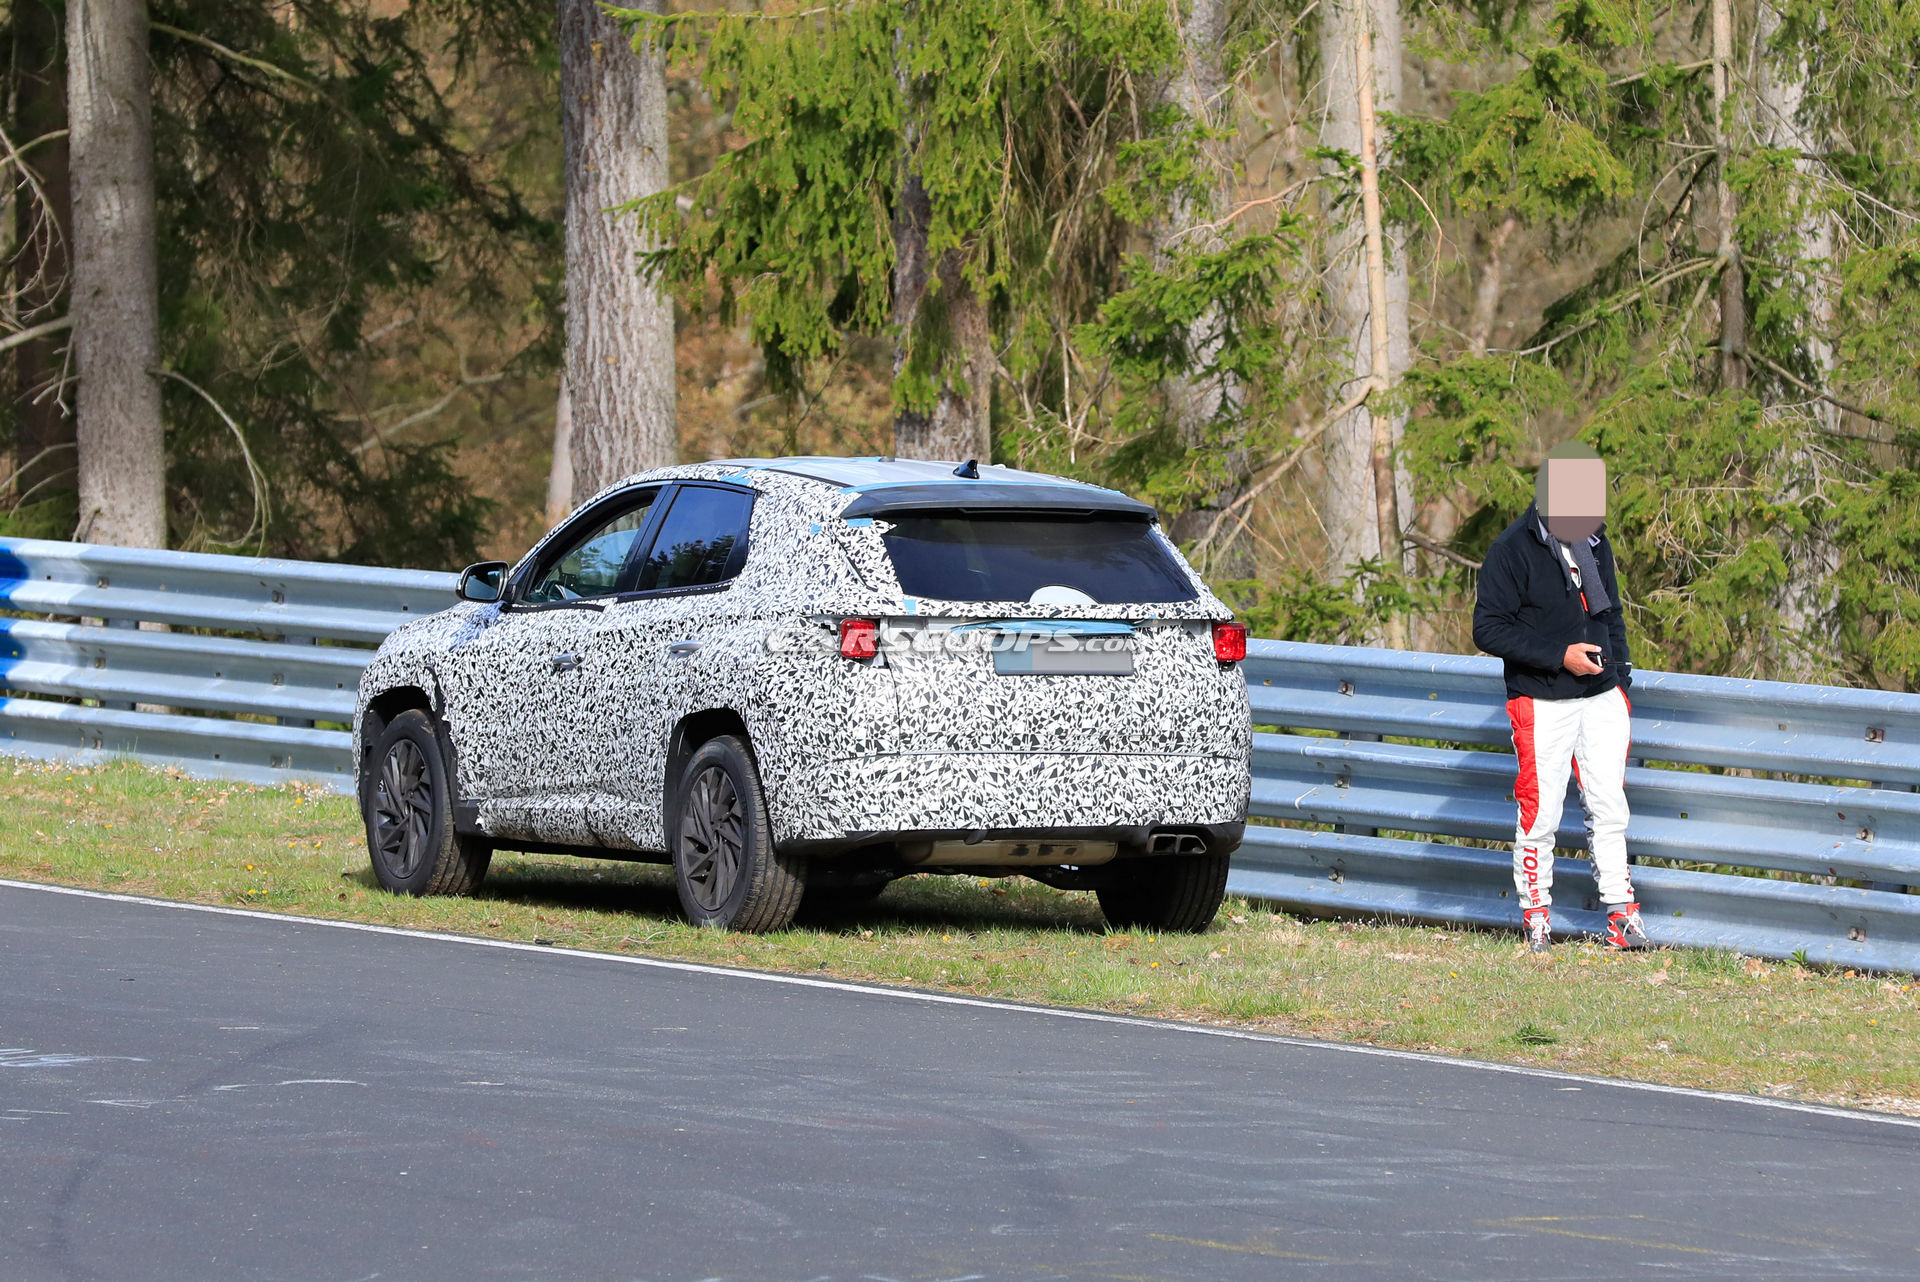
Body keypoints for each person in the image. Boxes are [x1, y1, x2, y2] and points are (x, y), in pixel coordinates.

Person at [1471, 440, 1648, 954]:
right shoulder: (1512, 550)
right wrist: (1559, 655)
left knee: (1609, 805)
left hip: (1602, 697)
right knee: (1541, 811)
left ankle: (1622, 914)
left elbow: (1610, 613)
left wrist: (1621, 678)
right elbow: (1488, 630)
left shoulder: (1595, 544)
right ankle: (1537, 917)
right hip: (1542, 698)